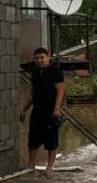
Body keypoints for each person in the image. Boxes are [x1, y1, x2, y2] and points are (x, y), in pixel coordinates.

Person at [20, 47, 65, 175]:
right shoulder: (35, 73)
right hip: (37, 111)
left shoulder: (55, 72)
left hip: (51, 112)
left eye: (42, 58)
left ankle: (49, 167)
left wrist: (57, 109)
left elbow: (60, 91)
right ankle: (31, 165)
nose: (39, 60)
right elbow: (32, 94)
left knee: (51, 141)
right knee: (33, 139)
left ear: (48, 58)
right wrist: (24, 109)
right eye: (37, 58)